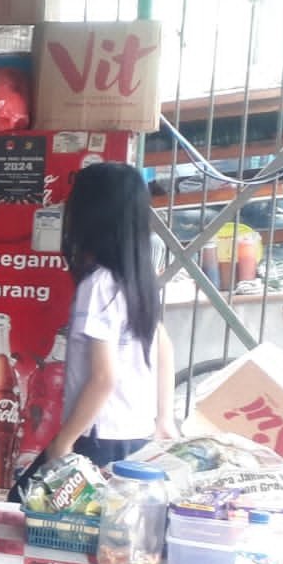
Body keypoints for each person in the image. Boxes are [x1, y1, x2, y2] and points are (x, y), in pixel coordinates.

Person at [43, 161, 179, 466]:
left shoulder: (98, 286)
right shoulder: (138, 280)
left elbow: (104, 377)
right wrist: (164, 418)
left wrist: (63, 442)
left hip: (100, 435)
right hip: (138, 431)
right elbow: (164, 347)